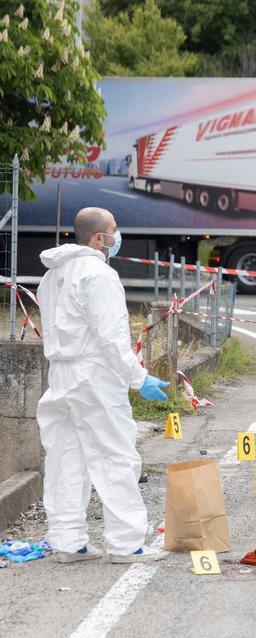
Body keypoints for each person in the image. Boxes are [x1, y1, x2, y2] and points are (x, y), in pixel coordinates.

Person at [36, 207, 170, 564]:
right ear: (100, 238)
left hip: (60, 376)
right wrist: (139, 378)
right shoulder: (99, 275)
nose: (117, 234)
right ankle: (126, 544)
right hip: (94, 377)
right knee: (115, 458)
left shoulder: (53, 275)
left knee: (65, 460)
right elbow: (110, 339)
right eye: (114, 229)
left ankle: (68, 542)